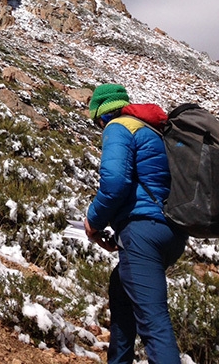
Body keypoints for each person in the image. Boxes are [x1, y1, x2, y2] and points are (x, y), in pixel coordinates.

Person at [84, 83, 187, 364]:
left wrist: (93, 222)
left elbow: (115, 183)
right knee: (121, 290)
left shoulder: (118, 127)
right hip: (171, 232)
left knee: (154, 323)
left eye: (97, 123)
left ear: (102, 115)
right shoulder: (152, 130)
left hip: (143, 232)